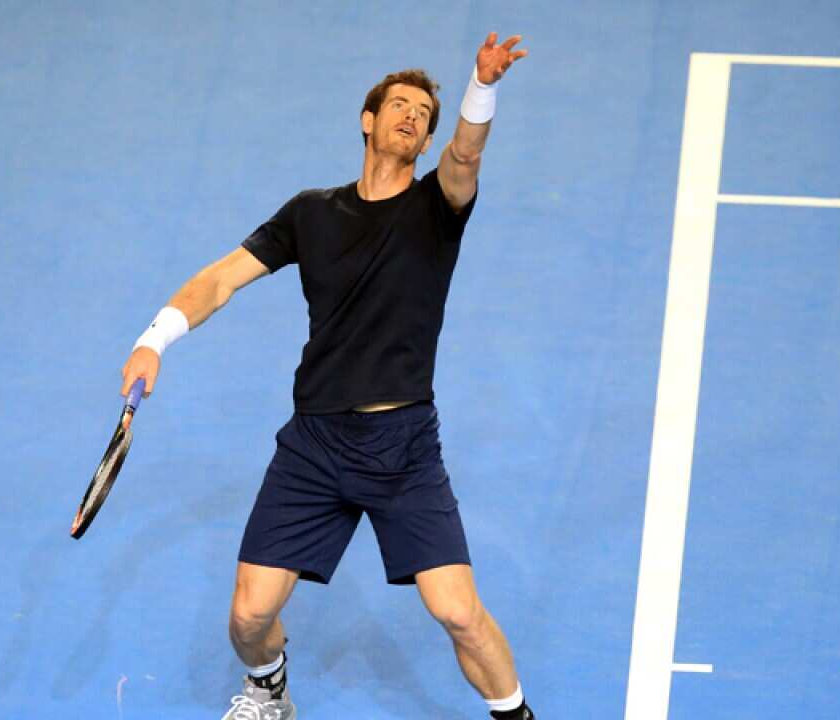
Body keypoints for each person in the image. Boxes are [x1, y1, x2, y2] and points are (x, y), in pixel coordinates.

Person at [120, 32, 533, 720]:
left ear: (428, 140)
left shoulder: (438, 208)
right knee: (248, 618)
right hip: (314, 446)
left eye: (423, 115)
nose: (411, 116)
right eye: (399, 105)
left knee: (458, 613)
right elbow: (223, 277)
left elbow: (468, 154)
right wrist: (154, 339)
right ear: (367, 121)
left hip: (402, 446)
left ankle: (516, 715)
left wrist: (481, 86)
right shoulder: (311, 213)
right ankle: (269, 690)